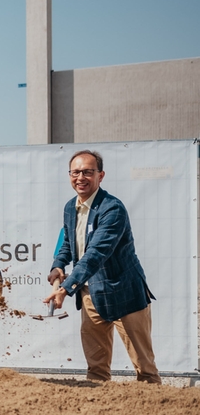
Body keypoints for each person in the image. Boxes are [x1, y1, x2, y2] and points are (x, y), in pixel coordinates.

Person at [44, 150, 160, 384]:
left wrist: (66, 288)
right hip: (91, 295)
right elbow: (68, 241)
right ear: (69, 175)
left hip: (124, 293)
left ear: (100, 175)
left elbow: (95, 254)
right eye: (76, 172)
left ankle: (155, 414)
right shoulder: (70, 207)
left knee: (144, 369)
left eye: (88, 172)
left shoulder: (112, 209)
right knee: (96, 370)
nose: (81, 177)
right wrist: (58, 265)